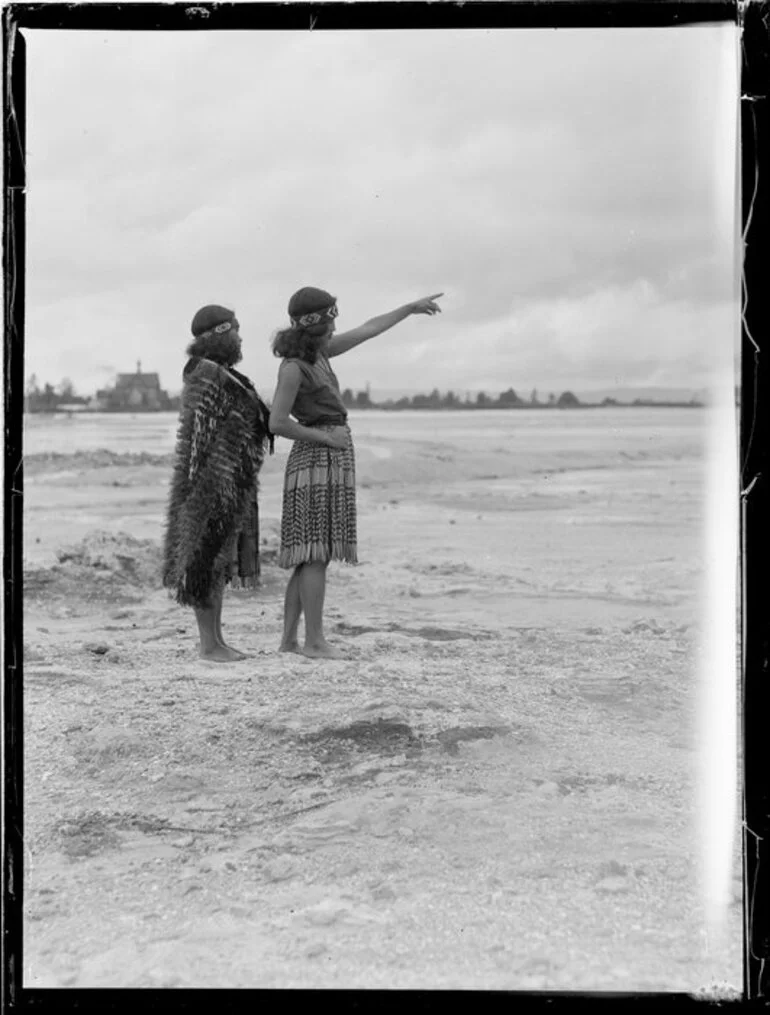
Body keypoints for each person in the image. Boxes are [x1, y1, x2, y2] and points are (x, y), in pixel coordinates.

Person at [269, 286, 443, 659]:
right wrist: (326, 439)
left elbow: (369, 329)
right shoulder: (293, 368)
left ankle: (289, 642)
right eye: (331, 320)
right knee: (316, 553)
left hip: (324, 455)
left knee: (309, 554)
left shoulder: (318, 353)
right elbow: (277, 422)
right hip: (317, 458)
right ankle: (314, 642)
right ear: (314, 324)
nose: (335, 327)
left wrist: (408, 308)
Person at [162, 305, 273, 662]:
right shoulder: (205, 374)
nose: (240, 337)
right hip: (210, 480)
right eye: (236, 330)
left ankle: (217, 640)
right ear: (219, 334)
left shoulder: (223, 373)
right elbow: (202, 432)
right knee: (205, 560)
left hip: (231, 478)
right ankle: (209, 645)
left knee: (220, 561)